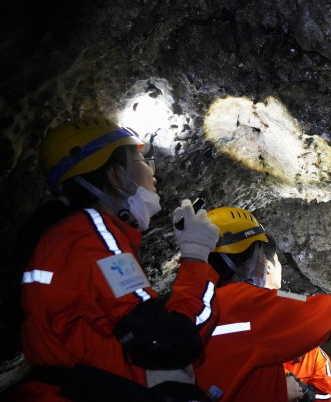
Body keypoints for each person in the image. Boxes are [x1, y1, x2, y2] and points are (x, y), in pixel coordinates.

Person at [5, 118, 221, 402]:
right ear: (117, 176)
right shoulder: (90, 233)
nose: (153, 175)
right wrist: (195, 255)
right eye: (144, 161)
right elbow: (164, 343)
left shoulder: (64, 237)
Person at [195, 207, 331, 402]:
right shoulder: (247, 302)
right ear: (249, 262)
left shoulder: (191, 302)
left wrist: (279, 386)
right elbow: (328, 311)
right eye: (262, 255)